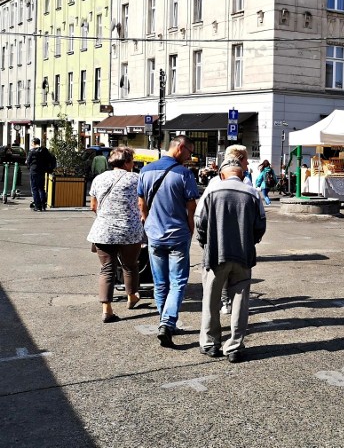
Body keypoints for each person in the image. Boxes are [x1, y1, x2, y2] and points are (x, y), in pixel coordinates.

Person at [196, 158, 266, 363]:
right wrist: (250, 241)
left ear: (221, 174)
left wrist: (206, 243)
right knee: (240, 300)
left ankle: (210, 343)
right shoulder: (253, 193)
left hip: (216, 254)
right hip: (243, 254)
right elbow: (260, 225)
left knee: (211, 298)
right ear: (242, 175)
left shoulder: (211, 191)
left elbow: (200, 221)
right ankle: (234, 346)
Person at [137, 135, 200, 348]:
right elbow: (191, 207)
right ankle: (168, 322)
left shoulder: (145, 171)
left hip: (154, 234)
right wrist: (191, 228)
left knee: (160, 282)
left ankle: (164, 322)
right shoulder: (184, 174)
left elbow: (141, 203)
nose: (190, 157)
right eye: (189, 152)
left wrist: (147, 223)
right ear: (180, 147)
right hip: (178, 234)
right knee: (178, 281)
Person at [87, 147, 144, 323]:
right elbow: (142, 204)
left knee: (107, 269)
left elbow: (93, 206)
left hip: (103, 230)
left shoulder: (99, 178)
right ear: (127, 162)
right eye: (132, 160)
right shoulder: (137, 179)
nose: (133, 164)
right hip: (130, 230)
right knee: (130, 265)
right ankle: (132, 296)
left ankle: (107, 309)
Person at [199, 144, 258, 316]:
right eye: (246, 160)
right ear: (239, 159)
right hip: (241, 244)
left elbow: (200, 217)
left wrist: (205, 241)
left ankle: (210, 338)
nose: (247, 164)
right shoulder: (246, 183)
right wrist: (251, 240)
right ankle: (235, 336)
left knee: (213, 287)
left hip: (215, 243)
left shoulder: (213, 183)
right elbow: (259, 221)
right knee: (239, 285)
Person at [25, 138, 55, 212]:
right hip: (42, 171)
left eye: (32, 143)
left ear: (34, 143)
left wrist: (29, 166)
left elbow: (28, 161)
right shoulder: (44, 151)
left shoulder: (32, 151)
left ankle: (37, 206)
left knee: (34, 188)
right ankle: (43, 204)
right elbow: (51, 159)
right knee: (41, 188)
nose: (31, 144)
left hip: (34, 171)